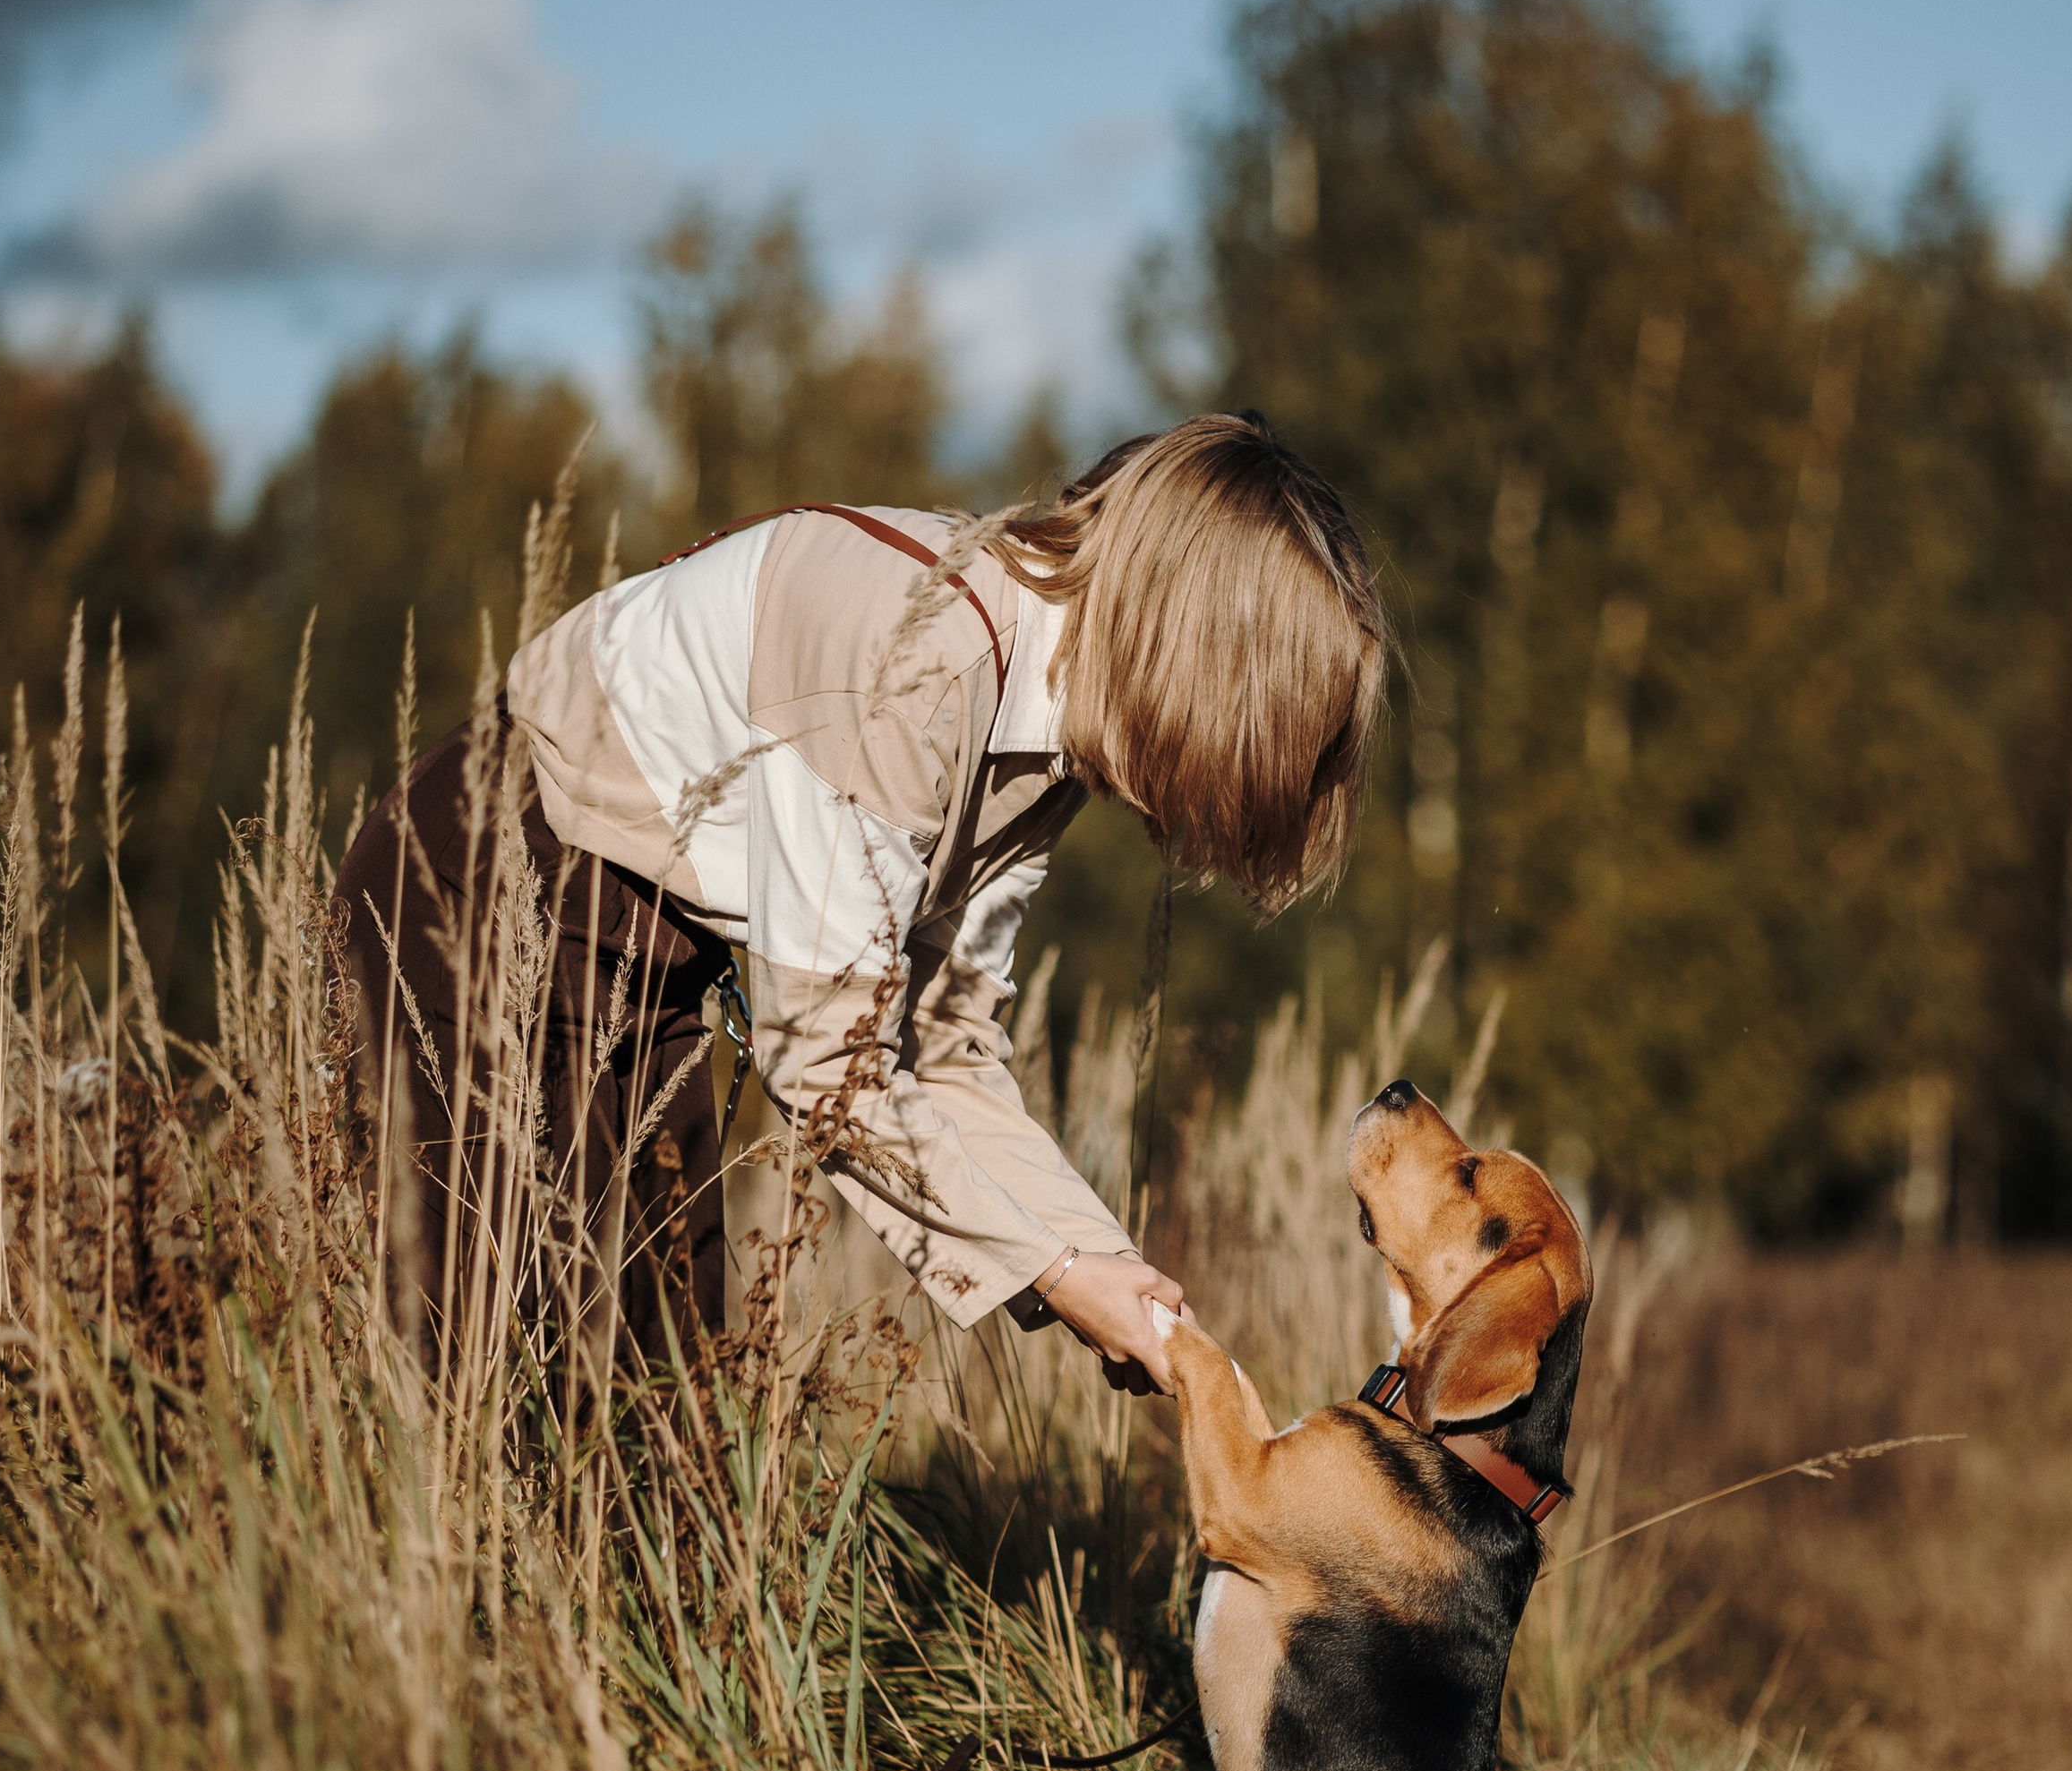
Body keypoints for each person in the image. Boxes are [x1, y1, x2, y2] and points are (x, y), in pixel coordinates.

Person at [335, 412, 1388, 1392]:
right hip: (486, 895)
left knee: (659, 1393)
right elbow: (831, 1063)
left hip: (645, 956)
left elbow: (944, 1040)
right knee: (504, 1370)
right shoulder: (918, 665)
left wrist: (1112, 1273)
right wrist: (1057, 1275)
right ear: (1199, 658)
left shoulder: (1045, 733)